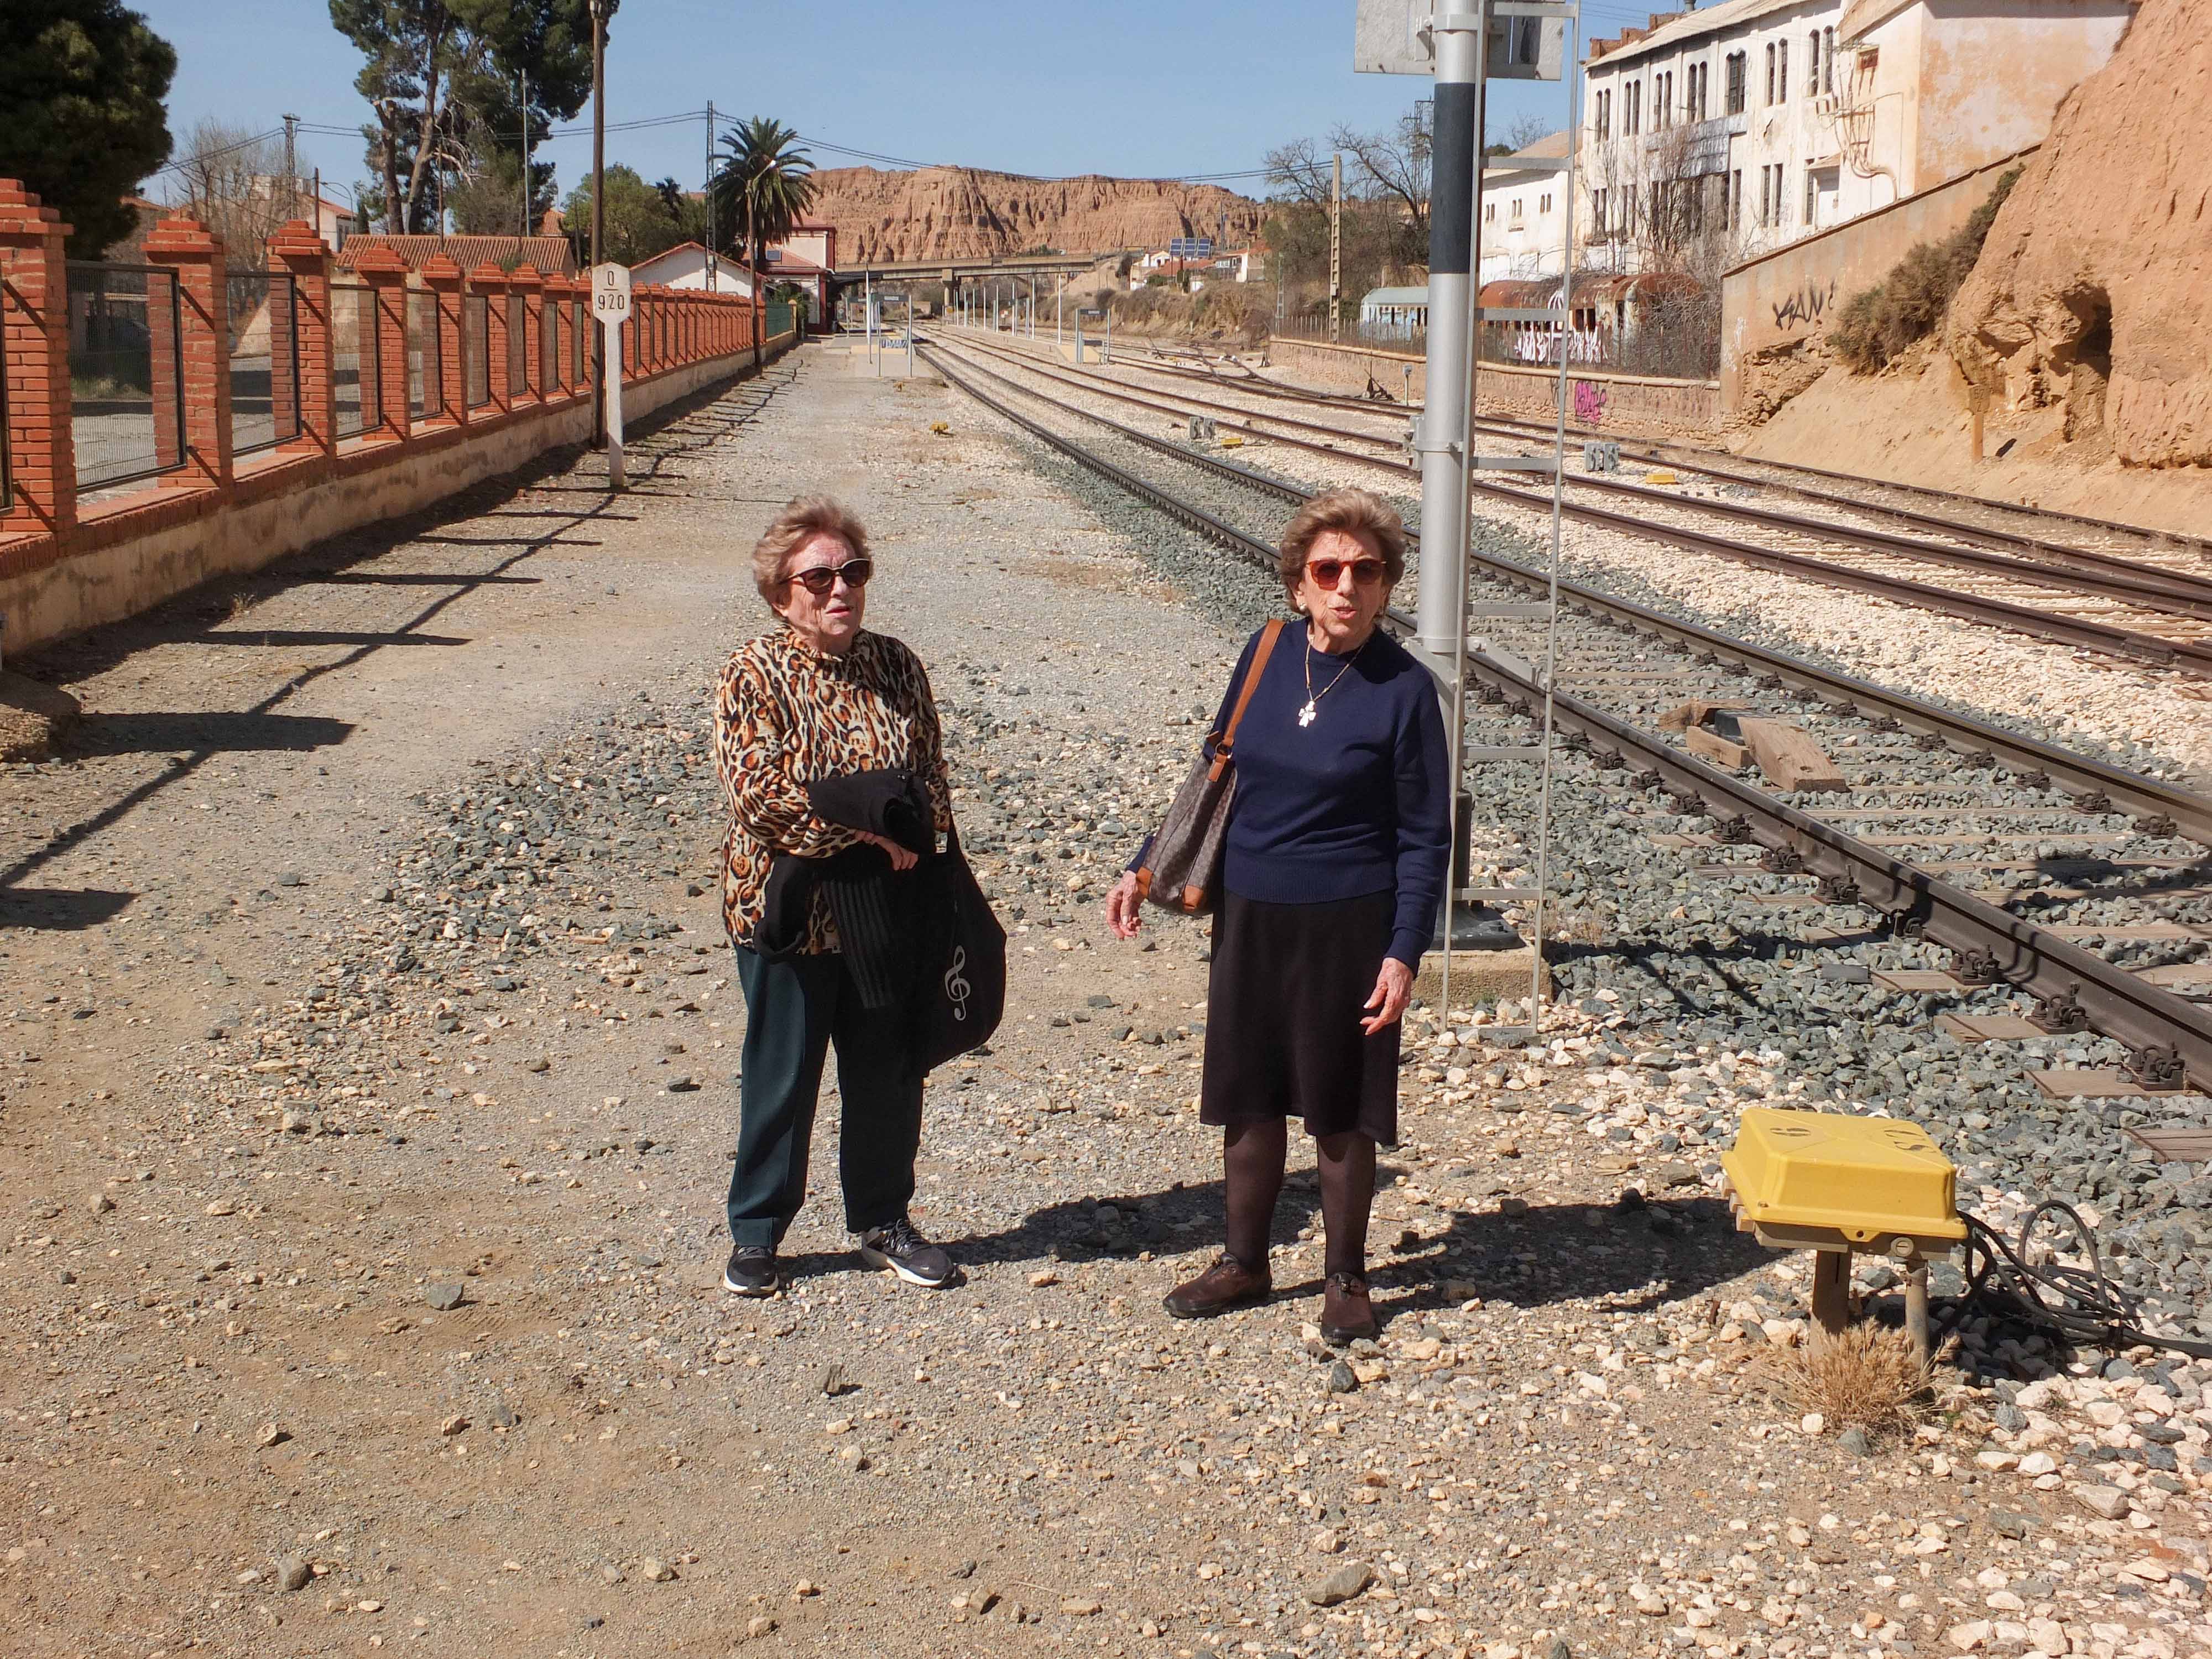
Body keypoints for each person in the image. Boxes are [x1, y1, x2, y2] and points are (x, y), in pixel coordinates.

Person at [1104, 487, 1449, 1344]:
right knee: (1248, 1094)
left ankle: (1346, 1278)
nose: (1347, 587)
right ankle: (1244, 1263)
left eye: (1366, 571)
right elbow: (1214, 772)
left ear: (1385, 584)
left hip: (1349, 921)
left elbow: (1425, 836)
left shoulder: (1406, 691)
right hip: (1252, 911)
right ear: (1297, 584)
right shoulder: (1265, 653)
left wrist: (1403, 953)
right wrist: (1148, 865)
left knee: (1341, 1107)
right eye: (1328, 570)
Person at [712, 494, 958, 1297]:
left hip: (886, 909)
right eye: (817, 577)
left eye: (852, 572)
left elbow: (929, 778)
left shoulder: (896, 665)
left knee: (888, 1072)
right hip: (790, 913)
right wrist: (866, 831)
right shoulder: (753, 674)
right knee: (782, 1075)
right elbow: (763, 798)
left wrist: (915, 838)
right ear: (782, 593)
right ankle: (757, 1235)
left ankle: (884, 1219)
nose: (839, 589)